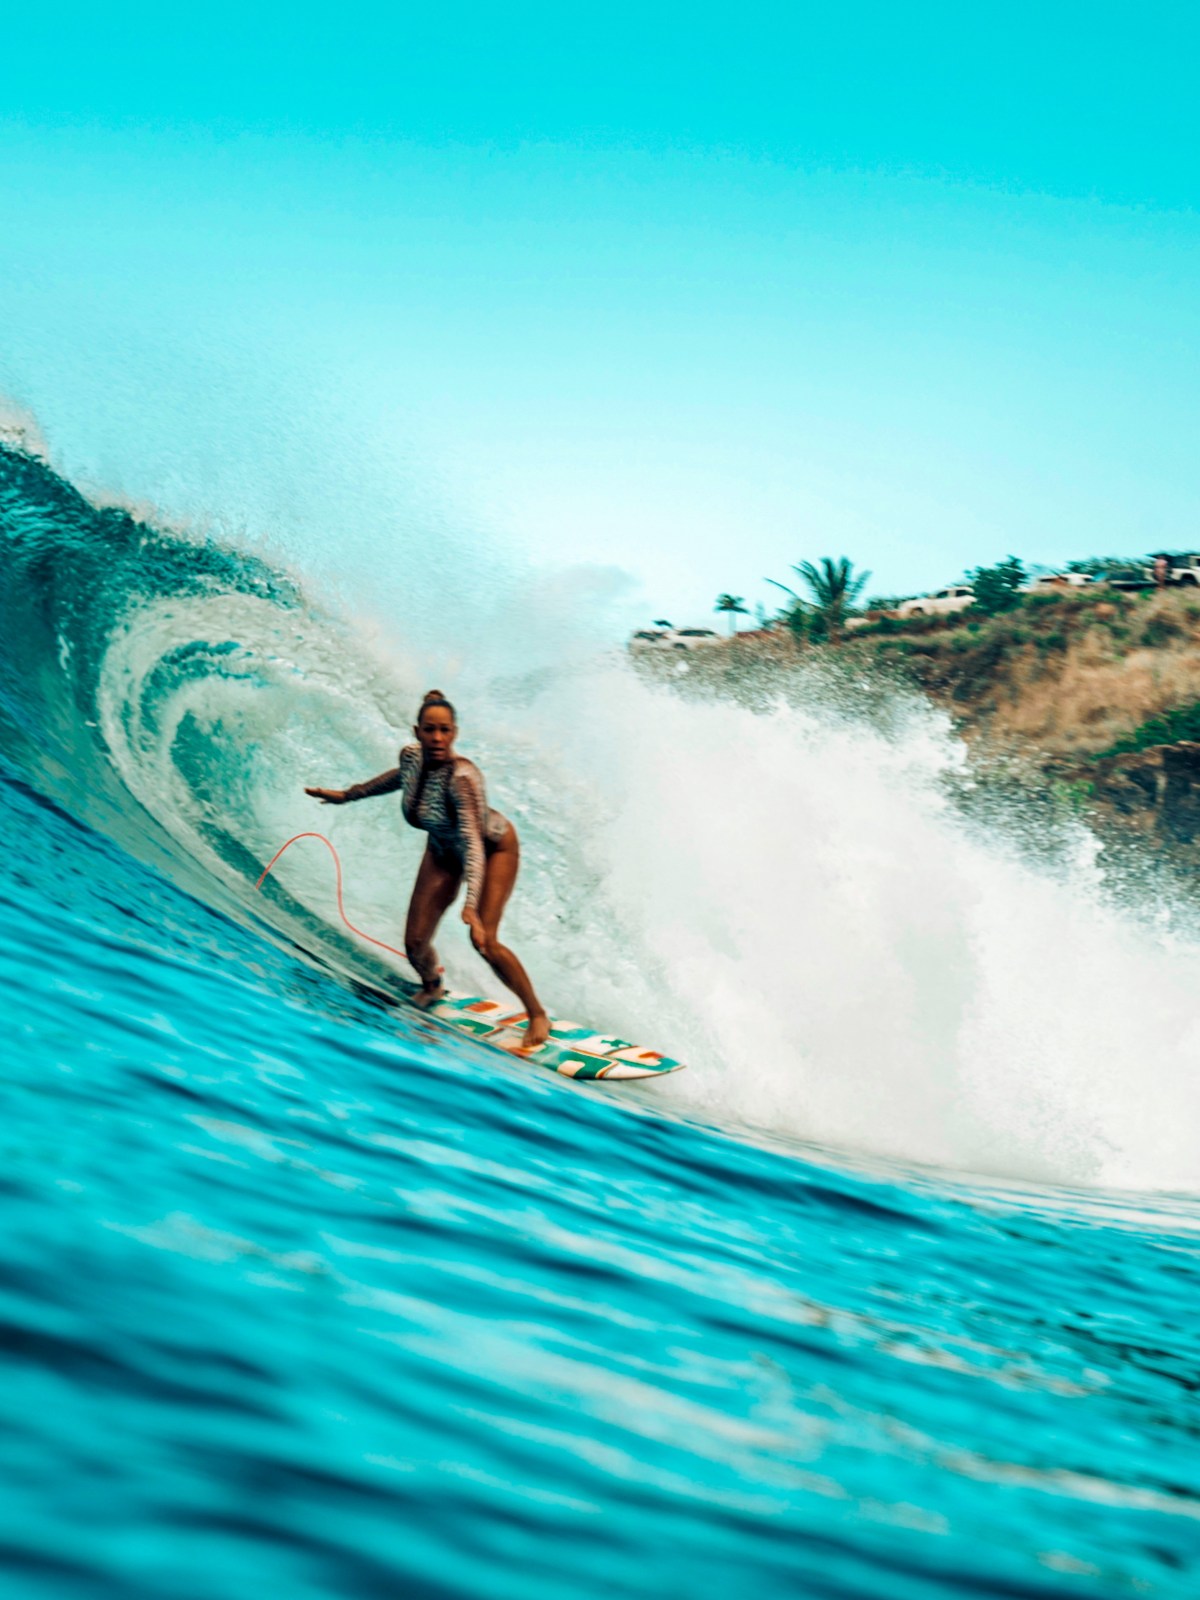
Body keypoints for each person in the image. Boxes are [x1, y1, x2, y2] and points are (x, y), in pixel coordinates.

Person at [305, 691, 551, 1047]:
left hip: (492, 848)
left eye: (445, 730)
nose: (437, 737)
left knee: (485, 941)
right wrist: (349, 794)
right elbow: (398, 779)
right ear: (417, 731)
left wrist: (471, 905)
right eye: (430, 730)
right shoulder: (412, 759)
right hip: (441, 849)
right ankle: (432, 986)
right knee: (415, 943)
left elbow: (472, 842)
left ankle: (537, 1014)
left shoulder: (463, 779)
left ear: (455, 734)